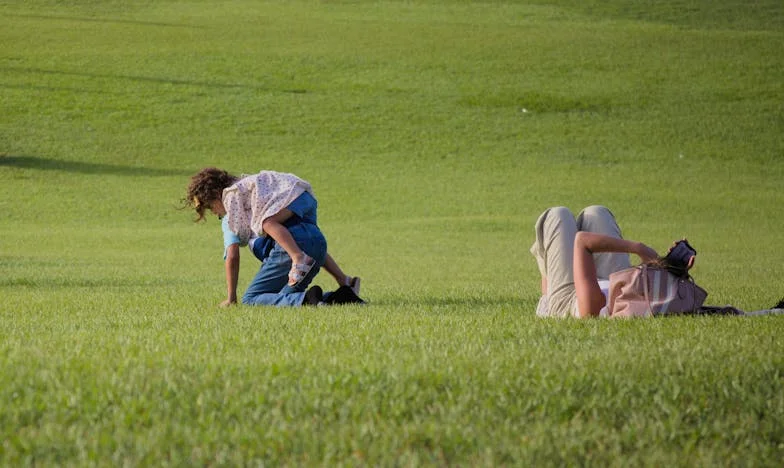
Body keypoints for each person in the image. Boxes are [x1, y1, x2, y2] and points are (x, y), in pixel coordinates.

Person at [185, 167, 364, 307]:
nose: (216, 213)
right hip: (316, 237)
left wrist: (231, 298)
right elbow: (311, 243)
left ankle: (305, 292)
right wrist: (342, 277)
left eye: (211, 207)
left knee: (251, 299)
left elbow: (233, 253)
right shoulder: (261, 196)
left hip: (288, 252)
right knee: (284, 298)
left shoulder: (232, 210)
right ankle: (340, 296)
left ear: (216, 195)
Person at [530, 205, 660, 318]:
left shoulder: (592, 305)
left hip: (571, 301)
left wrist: (638, 248)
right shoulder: (665, 291)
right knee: (597, 213)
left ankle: (548, 300)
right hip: (615, 285)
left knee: (557, 215)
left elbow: (582, 242)